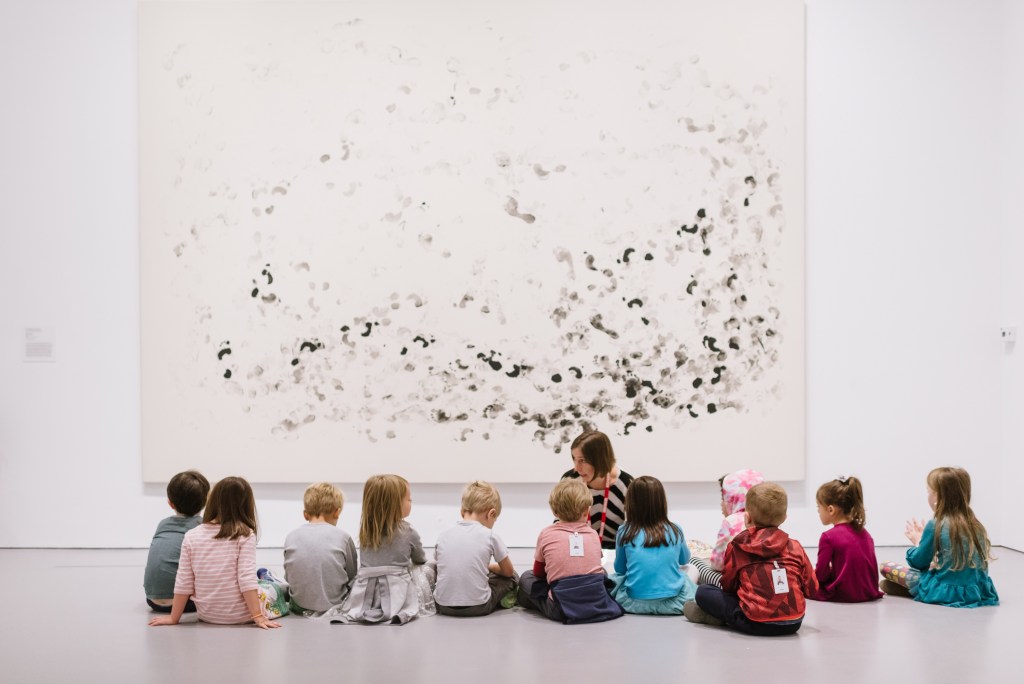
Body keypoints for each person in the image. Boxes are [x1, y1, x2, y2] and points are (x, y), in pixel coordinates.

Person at [684, 482, 817, 636]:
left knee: (703, 592)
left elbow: (728, 586)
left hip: (755, 623)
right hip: (794, 623)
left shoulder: (738, 546)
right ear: (785, 518)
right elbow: (812, 588)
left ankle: (719, 617)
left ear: (747, 518)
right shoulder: (796, 547)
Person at [148, 476, 282, 629]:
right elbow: (245, 578)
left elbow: (184, 580)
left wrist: (174, 617)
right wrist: (258, 617)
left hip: (207, 615)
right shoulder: (245, 535)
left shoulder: (191, 535)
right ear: (246, 505)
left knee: (257, 582)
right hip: (242, 615)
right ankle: (272, 580)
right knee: (273, 589)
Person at [879, 467, 999, 608]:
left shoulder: (936, 524)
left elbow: (919, 562)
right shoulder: (975, 523)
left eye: (929, 492)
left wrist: (918, 542)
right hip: (977, 592)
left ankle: (919, 591)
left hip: (945, 592)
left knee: (885, 568)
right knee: (891, 582)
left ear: (938, 496)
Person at [329, 475, 436, 625]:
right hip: (397, 589)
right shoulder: (408, 531)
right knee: (429, 567)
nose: (411, 502)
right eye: (409, 499)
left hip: (365, 589)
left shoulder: (366, 530)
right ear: (395, 504)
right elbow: (420, 559)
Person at [517, 479, 622, 623]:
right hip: (597, 602)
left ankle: (529, 602)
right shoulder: (592, 534)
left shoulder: (546, 533)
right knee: (602, 572)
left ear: (554, 511)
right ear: (587, 511)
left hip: (561, 608)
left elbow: (538, 572)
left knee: (526, 578)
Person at [607, 475, 697, 614]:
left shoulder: (624, 531)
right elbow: (684, 560)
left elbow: (620, 569)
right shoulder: (675, 529)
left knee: (615, 577)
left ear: (631, 503)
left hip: (633, 603)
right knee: (691, 569)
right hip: (675, 603)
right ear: (661, 502)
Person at [433, 481, 517, 616]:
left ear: (462, 512)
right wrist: (489, 567)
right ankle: (505, 599)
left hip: (443, 605)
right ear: (491, 514)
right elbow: (508, 571)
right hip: (479, 606)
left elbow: (441, 565)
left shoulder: (443, 536)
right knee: (513, 578)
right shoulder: (490, 535)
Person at [283, 482, 358, 615]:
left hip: (299, 607)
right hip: (335, 606)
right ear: (337, 512)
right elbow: (352, 576)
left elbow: (289, 576)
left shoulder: (291, 537)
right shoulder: (343, 538)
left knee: (281, 586)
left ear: (305, 514)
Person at [144, 469, 210, 613]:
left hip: (152, 600)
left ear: (170, 503)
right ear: (205, 502)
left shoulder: (162, 524)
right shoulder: (203, 527)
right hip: (184, 603)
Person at [810, 476, 882, 602]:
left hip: (845, 593)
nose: (818, 512)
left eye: (818, 507)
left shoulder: (828, 537)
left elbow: (821, 575)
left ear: (830, 509)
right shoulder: (865, 533)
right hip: (868, 591)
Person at [688, 469, 764, 587]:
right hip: (763, 582)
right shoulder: (766, 519)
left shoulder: (732, 522)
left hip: (738, 586)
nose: (721, 503)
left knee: (695, 562)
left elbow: (717, 564)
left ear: (733, 498)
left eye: (724, 498)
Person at [560, 430, 634, 549]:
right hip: (578, 549)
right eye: (574, 459)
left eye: (582, 460)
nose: (577, 467)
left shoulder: (627, 484)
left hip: (617, 551)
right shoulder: (570, 480)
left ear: (599, 459)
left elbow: (634, 529)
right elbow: (560, 522)